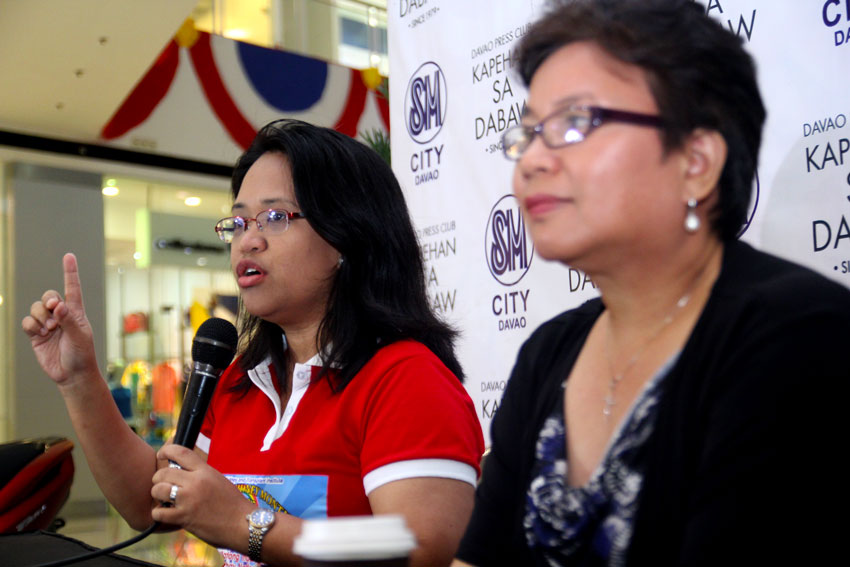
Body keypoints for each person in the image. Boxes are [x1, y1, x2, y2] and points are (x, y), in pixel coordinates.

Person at [453, 1, 850, 565]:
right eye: (528, 134)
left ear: (696, 160)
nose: (533, 160)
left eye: (574, 122)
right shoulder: (548, 353)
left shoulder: (797, 336)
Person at [23, 119, 485, 567]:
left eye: (275, 217)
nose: (248, 241)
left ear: (349, 235)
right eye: (239, 223)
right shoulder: (244, 379)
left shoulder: (406, 378)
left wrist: (247, 524)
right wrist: (80, 377)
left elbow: (420, 548)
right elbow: (153, 505)